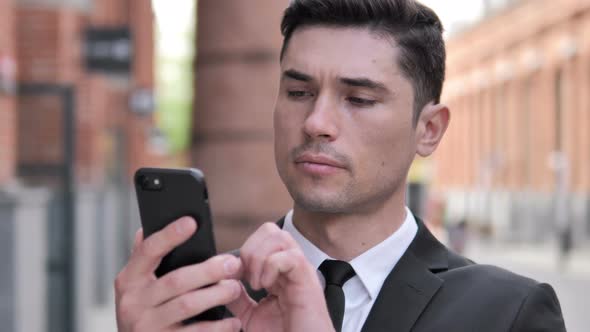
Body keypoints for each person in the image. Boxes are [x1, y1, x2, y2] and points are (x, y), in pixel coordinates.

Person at [114, 0, 567, 331]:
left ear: (429, 129)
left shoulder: (508, 312)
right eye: (298, 93)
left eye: (359, 99)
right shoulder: (203, 299)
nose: (316, 123)